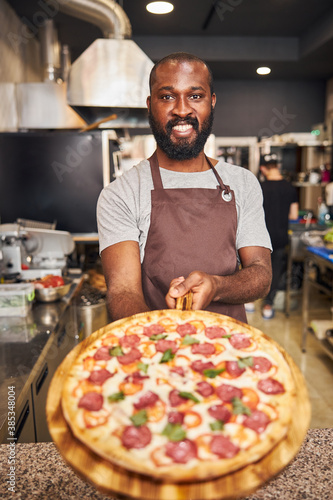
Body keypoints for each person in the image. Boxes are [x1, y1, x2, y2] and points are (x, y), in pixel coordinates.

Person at [97, 52, 272, 323]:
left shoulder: (242, 183)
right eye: (167, 96)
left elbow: (261, 274)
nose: (181, 109)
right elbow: (123, 292)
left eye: (195, 96)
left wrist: (217, 286)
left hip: (231, 351)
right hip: (154, 354)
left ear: (211, 102)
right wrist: (162, 344)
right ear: (150, 104)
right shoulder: (120, 194)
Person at [258, 159, 298, 319]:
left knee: (254, 266)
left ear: (263, 169)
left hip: (260, 236)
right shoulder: (289, 187)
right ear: (278, 167)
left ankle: (248, 302)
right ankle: (268, 305)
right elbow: (294, 215)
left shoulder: (260, 187)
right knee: (274, 270)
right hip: (280, 236)